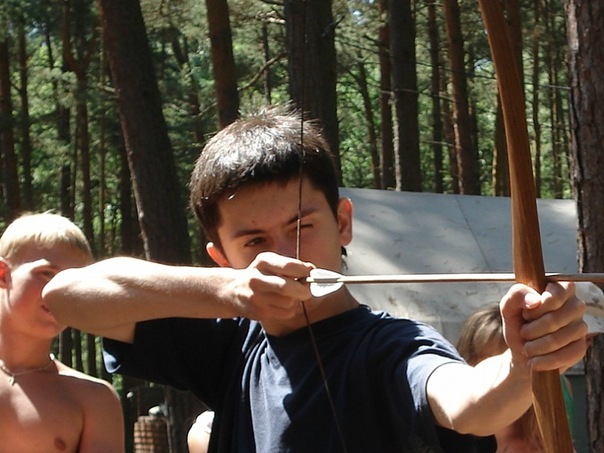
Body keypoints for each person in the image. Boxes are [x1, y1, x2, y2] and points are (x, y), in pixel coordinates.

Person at [43, 105, 587, 452]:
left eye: (301, 227)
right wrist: (228, 292)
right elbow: (66, 296)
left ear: (343, 222)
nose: (286, 256)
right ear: (221, 256)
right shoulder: (231, 342)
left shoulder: (390, 347)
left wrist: (522, 363)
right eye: (254, 242)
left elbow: (469, 403)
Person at [0, 213, 125, 452]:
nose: (60, 291)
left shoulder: (93, 399)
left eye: (73, 282)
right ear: (3, 274)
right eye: (46, 274)